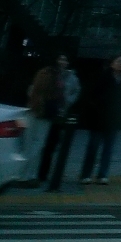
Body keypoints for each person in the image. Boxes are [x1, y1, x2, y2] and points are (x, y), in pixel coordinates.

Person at [29, 54, 82, 182]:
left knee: (51, 143)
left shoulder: (71, 77)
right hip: (47, 110)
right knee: (40, 142)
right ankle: (33, 172)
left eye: (65, 59)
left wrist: (68, 101)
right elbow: (34, 88)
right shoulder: (48, 73)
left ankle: (43, 173)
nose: (62, 62)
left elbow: (76, 91)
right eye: (60, 59)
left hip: (60, 113)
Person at [79, 56, 121, 185]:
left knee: (108, 149)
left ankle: (103, 174)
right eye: (119, 61)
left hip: (113, 119)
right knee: (93, 148)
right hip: (99, 118)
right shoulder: (103, 77)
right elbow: (93, 94)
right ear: (112, 64)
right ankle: (86, 174)